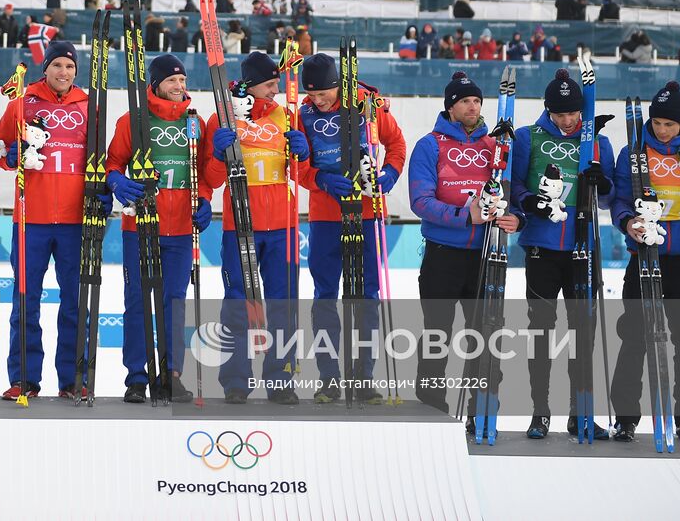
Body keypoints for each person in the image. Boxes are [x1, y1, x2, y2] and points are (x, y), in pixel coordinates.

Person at [609, 82, 680, 444]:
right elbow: (619, 200)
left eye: (670, 124)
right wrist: (628, 223)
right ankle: (626, 417)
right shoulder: (633, 151)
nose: (662, 130)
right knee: (634, 339)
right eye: (657, 123)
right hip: (643, 256)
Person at [509, 69, 617, 440]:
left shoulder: (598, 142)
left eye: (572, 113)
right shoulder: (528, 137)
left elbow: (609, 197)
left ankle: (581, 412)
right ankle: (540, 412)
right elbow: (515, 185)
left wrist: (602, 185)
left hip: (583, 248)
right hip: (541, 247)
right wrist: (529, 203)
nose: (567, 120)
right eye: (559, 114)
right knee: (541, 332)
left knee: (582, 335)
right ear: (547, 110)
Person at [408, 71, 520, 424]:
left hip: (487, 253)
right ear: (451, 107)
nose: (472, 107)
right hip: (443, 254)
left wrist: (516, 217)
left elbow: (513, 195)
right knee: (437, 334)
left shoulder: (496, 145)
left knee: (485, 335)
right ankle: (430, 403)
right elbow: (420, 201)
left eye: (476, 101)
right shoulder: (430, 144)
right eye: (465, 102)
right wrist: (464, 215)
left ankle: (482, 407)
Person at [296, 52, 406, 404]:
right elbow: (296, 167)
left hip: (368, 212)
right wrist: (321, 179)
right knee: (325, 296)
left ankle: (365, 377)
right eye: (311, 94)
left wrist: (388, 175)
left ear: (338, 84)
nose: (317, 100)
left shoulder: (369, 105)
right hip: (326, 217)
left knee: (366, 297)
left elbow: (397, 145)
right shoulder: (302, 114)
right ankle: (330, 377)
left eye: (323, 93)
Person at [203, 52, 311, 403]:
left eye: (277, 84)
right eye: (269, 84)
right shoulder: (223, 118)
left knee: (283, 304)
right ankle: (236, 381)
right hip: (241, 225)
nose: (275, 91)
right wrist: (219, 155)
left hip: (282, 226)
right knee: (238, 304)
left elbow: (301, 174)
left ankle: (281, 380)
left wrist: (303, 152)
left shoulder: (287, 116)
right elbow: (211, 179)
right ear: (250, 85)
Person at [105, 55, 212, 403]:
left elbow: (205, 171)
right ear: (155, 84)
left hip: (181, 229)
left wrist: (206, 200)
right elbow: (112, 163)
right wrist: (118, 183)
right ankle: (137, 377)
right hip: (141, 225)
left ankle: (171, 375)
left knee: (174, 304)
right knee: (137, 302)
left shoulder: (196, 124)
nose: (179, 87)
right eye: (171, 81)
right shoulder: (133, 120)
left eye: (182, 81)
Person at [0, 41, 97, 400]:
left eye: (70, 66)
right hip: (30, 219)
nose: (64, 72)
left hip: (74, 221)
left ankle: (71, 379)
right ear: (46, 68)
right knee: (26, 300)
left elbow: (98, 161)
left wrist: (99, 193)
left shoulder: (89, 106)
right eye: (58, 65)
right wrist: (12, 155)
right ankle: (24, 379)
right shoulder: (22, 103)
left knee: (74, 302)